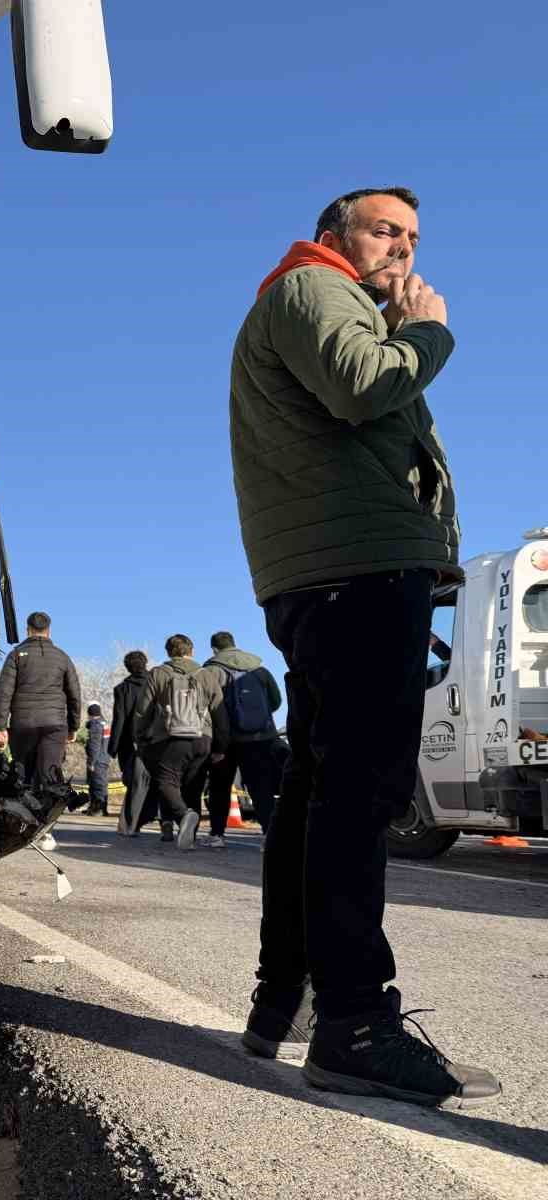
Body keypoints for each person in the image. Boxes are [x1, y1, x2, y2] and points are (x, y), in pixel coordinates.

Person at [230, 188, 498, 1104]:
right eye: (387, 231)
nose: (404, 251)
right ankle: (355, 1022)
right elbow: (364, 385)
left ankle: (291, 1003)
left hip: (334, 572)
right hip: (358, 572)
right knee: (359, 791)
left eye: (415, 238)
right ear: (334, 234)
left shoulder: (314, 299)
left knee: (316, 787)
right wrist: (426, 332)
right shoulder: (315, 289)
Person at [132, 635, 229, 849]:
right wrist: (221, 746)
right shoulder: (206, 675)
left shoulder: (158, 673)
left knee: (166, 781)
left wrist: (140, 738)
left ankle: (181, 815)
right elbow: (220, 713)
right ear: (191, 651)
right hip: (202, 738)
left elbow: (143, 710)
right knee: (193, 787)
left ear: (168, 652)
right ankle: (189, 837)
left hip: (169, 738)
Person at [188, 632, 284, 844]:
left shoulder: (211, 671)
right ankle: (269, 835)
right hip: (261, 737)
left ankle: (217, 834)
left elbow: (203, 706)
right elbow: (275, 701)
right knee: (261, 788)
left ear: (214, 649)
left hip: (226, 740)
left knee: (220, 787)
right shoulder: (260, 670)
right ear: (234, 644)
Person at [0, 612, 81, 788]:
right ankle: (48, 813)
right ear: (48, 631)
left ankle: (23, 814)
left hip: (23, 726)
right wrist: (73, 726)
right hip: (54, 726)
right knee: (51, 776)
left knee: (23, 777)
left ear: (28, 631)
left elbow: (4, 694)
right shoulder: (62, 657)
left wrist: (0, 727)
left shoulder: (15, 655)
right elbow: (74, 695)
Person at [108, 651, 152, 836]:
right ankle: (163, 824)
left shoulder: (122, 689)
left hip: (131, 743)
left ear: (127, 667)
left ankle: (129, 825)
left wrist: (113, 747)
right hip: (157, 741)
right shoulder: (157, 682)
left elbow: (120, 719)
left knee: (135, 783)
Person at [83, 702, 110, 815]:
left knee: (97, 784)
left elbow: (94, 745)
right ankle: (95, 807)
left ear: (90, 714)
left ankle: (99, 808)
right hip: (104, 757)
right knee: (97, 783)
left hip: (97, 760)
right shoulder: (104, 723)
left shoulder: (96, 725)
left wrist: (91, 762)